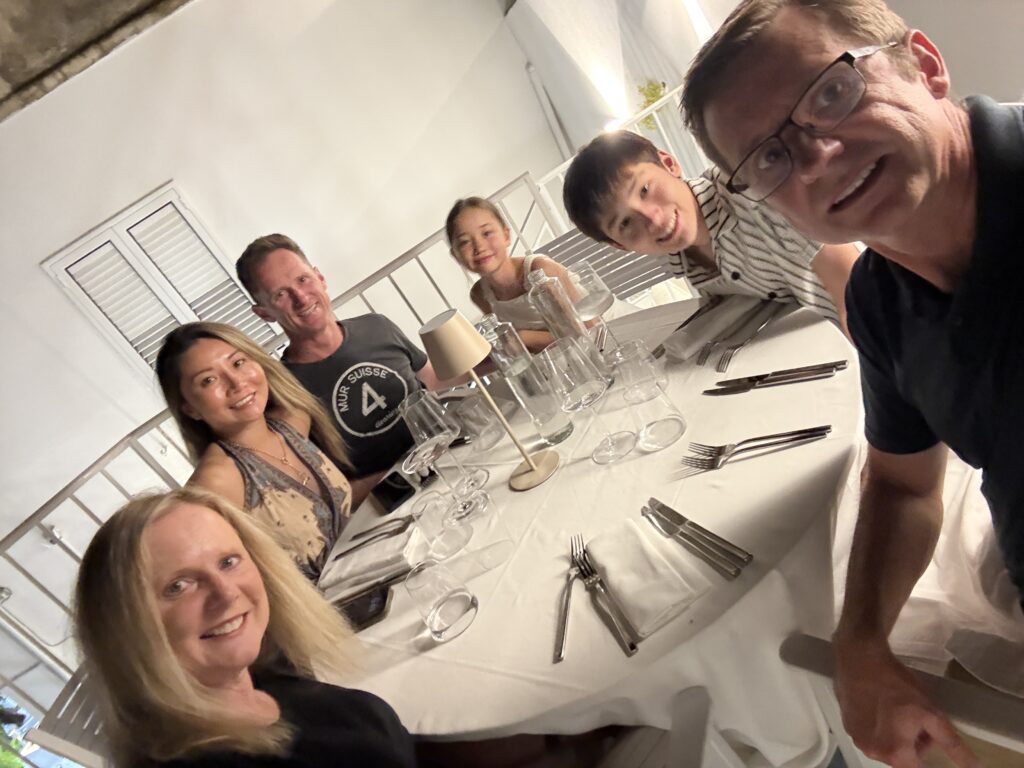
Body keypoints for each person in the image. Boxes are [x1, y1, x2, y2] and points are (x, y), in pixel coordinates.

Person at [681, 0, 1023, 765]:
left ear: (924, 65)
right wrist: (860, 641)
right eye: (769, 159)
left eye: (831, 93)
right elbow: (903, 486)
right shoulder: (878, 298)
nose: (815, 158)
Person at [74, 487, 417, 767]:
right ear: (126, 633)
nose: (226, 593)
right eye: (178, 586)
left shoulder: (269, 674)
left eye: (228, 561)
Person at [561, 130, 860, 334]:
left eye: (644, 189)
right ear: (620, 245)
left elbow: (856, 291)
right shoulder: (677, 255)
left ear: (669, 163)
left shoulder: (751, 192)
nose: (651, 218)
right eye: (625, 223)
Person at [237, 235, 447, 503]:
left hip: (452, 459)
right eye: (280, 294)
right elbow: (322, 493)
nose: (301, 297)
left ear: (320, 278)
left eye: (303, 279)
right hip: (395, 504)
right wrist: (405, 469)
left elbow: (435, 380)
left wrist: (491, 357)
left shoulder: (377, 326)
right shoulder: (282, 390)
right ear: (264, 313)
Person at [157, 322, 351, 581]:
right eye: (208, 380)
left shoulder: (293, 421)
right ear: (190, 409)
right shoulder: (217, 480)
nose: (236, 382)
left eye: (238, 363)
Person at [445, 197, 631, 352]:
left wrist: (526, 338)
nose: (479, 246)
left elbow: (588, 330)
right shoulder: (480, 294)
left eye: (486, 233)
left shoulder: (540, 270)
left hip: (617, 334)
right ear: (455, 255)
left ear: (506, 235)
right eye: (464, 242)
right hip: (576, 357)